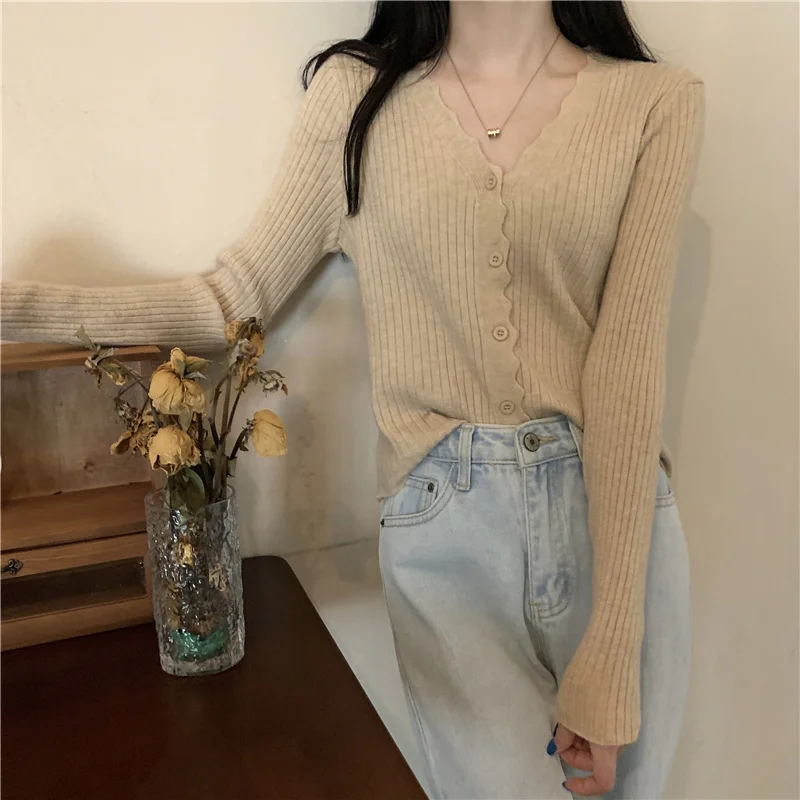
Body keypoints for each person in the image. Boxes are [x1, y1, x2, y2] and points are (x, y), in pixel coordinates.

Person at [1, 1, 705, 797]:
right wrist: (18, 308)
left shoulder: (655, 102)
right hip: (448, 532)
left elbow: (626, 367)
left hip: (615, 526)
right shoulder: (356, 101)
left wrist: (613, 643)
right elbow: (229, 302)